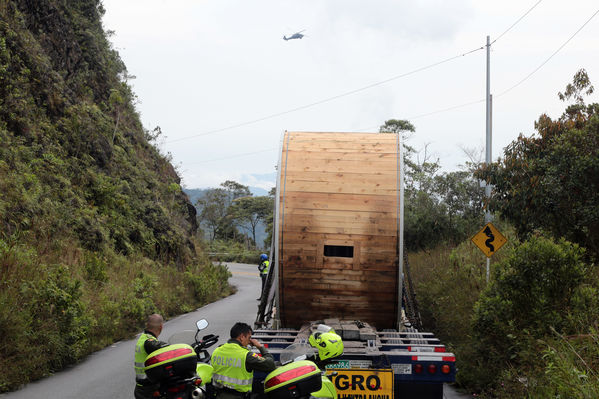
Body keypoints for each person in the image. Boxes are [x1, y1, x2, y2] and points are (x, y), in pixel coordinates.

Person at [211, 322, 276, 399]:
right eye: (249, 338)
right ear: (242, 337)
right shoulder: (245, 355)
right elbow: (270, 365)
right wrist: (260, 347)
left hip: (219, 395)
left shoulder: (216, 351)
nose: (249, 342)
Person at [134, 314, 169, 399]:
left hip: (142, 387)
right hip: (149, 389)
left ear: (147, 325)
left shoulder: (143, 338)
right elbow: (158, 347)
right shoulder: (149, 342)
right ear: (161, 327)